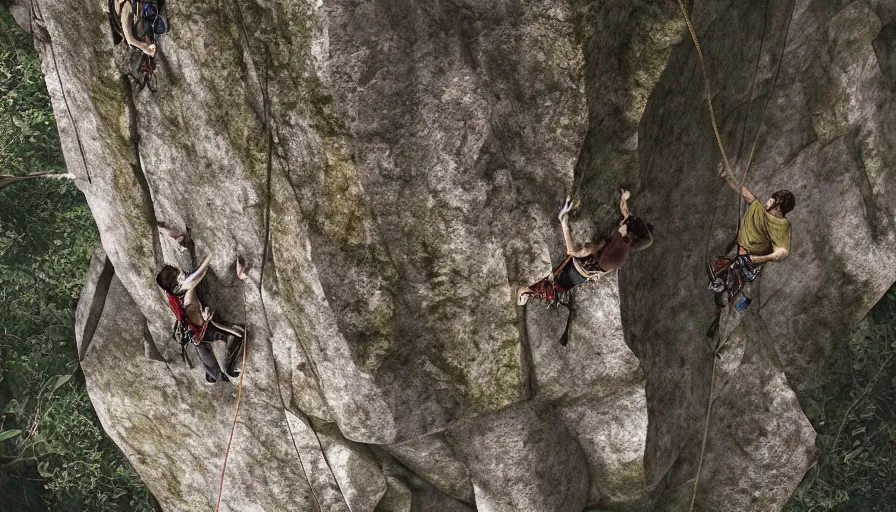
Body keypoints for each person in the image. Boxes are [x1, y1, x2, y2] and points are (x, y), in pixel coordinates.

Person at [517, 189, 654, 306]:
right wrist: (624, 198)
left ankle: (527, 291)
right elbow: (626, 213)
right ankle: (529, 291)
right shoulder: (626, 233)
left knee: (555, 290)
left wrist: (564, 225)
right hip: (588, 264)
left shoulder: (617, 255)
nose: (623, 222)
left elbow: (577, 252)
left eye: (625, 226)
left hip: (581, 270)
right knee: (556, 286)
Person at [707, 161, 794, 337]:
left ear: (778, 206)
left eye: (773, 200)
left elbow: (782, 252)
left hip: (748, 263)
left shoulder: (780, 226)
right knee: (719, 283)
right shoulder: (759, 209)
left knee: (734, 295)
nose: (768, 201)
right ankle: (717, 318)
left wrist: (756, 259)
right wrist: (727, 177)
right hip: (737, 253)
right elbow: (744, 192)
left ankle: (724, 327)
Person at [156, 253, 246, 384]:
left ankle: (211, 375)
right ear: (176, 285)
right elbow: (199, 273)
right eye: (179, 275)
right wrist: (210, 256)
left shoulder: (172, 293)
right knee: (238, 335)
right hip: (202, 330)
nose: (183, 274)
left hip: (195, 333)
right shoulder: (184, 290)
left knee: (204, 350)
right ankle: (230, 367)